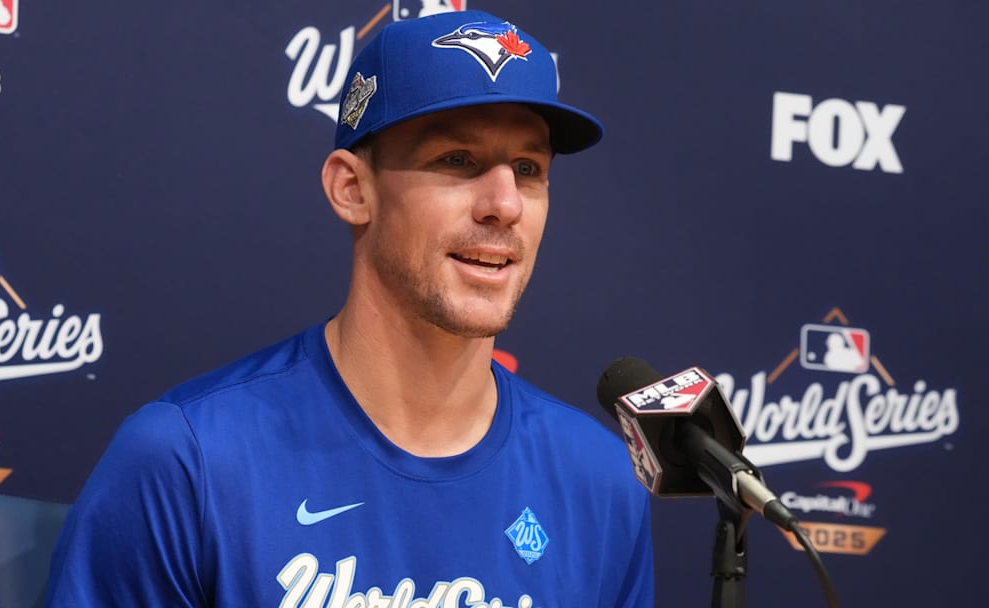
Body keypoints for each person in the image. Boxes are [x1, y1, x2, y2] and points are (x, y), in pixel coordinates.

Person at [47, 10, 654, 607]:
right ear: (352, 188)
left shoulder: (599, 480)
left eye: (528, 169)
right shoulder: (191, 459)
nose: (505, 204)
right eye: (457, 161)